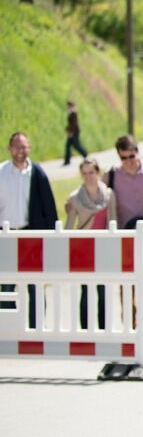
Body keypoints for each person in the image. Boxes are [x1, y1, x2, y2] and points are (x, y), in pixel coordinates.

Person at [1, 132, 58, 328]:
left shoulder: (38, 174)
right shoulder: (1, 173)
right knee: (7, 284)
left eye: (24, 146)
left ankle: (36, 327)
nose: (20, 151)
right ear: (9, 148)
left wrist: (51, 238)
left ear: (30, 148)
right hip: (6, 235)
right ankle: (8, 328)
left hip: (31, 236)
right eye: (17, 146)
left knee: (35, 284)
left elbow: (49, 208)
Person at [65, 156, 117, 229]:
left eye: (91, 172)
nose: (88, 176)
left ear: (98, 172)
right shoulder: (74, 198)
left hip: (104, 239)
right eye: (84, 173)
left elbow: (113, 222)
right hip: (84, 239)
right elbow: (68, 226)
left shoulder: (109, 194)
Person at [63, 100, 88, 165]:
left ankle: (85, 155)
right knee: (68, 145)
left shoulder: (73, 112)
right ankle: (67, 161)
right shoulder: (71, 112)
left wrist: (70, 131)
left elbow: (74, 124)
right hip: (72, 131)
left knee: (76, 145)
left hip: (74, 132)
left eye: (68, 105)